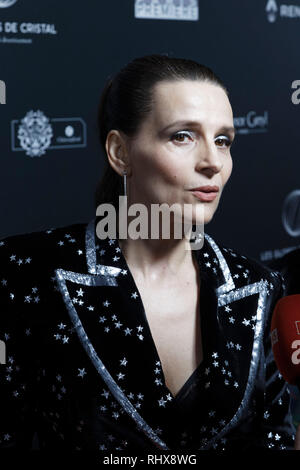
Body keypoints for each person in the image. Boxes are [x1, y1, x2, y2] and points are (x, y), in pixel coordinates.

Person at [0, 54, 296, 452]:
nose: (212, 162)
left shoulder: (259, 288)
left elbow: (271, 440)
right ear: (120, 152)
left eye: (223, 140)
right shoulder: (27, 275)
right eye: (182, 136)